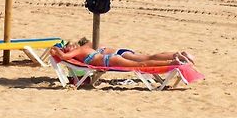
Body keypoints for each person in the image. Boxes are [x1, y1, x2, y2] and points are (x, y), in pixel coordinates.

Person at [50, 39, 195, 68]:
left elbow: (63, 57)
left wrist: (57, 49)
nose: (71, 48)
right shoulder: (89, 45)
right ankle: (176, 55)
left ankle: (173, 62)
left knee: (142, 64)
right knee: (147, 57)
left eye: (70, 46)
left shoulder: (79, 50)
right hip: (117, 53)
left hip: (111, 59)